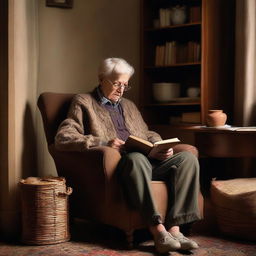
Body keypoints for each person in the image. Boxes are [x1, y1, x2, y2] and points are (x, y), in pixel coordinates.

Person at [55, 57, 202, 253]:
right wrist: (103, 142)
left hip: (149, 160)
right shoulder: (83, 102)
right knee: (136, 158)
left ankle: (175, 230)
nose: (121, 89)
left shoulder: (129, 105)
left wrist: (159, 145)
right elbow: (63, 137)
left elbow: (147, 133)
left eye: (125, 84)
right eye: (116, 83)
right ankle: (158, 231)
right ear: (101, 79)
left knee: (188, 158)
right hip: (124, 165)